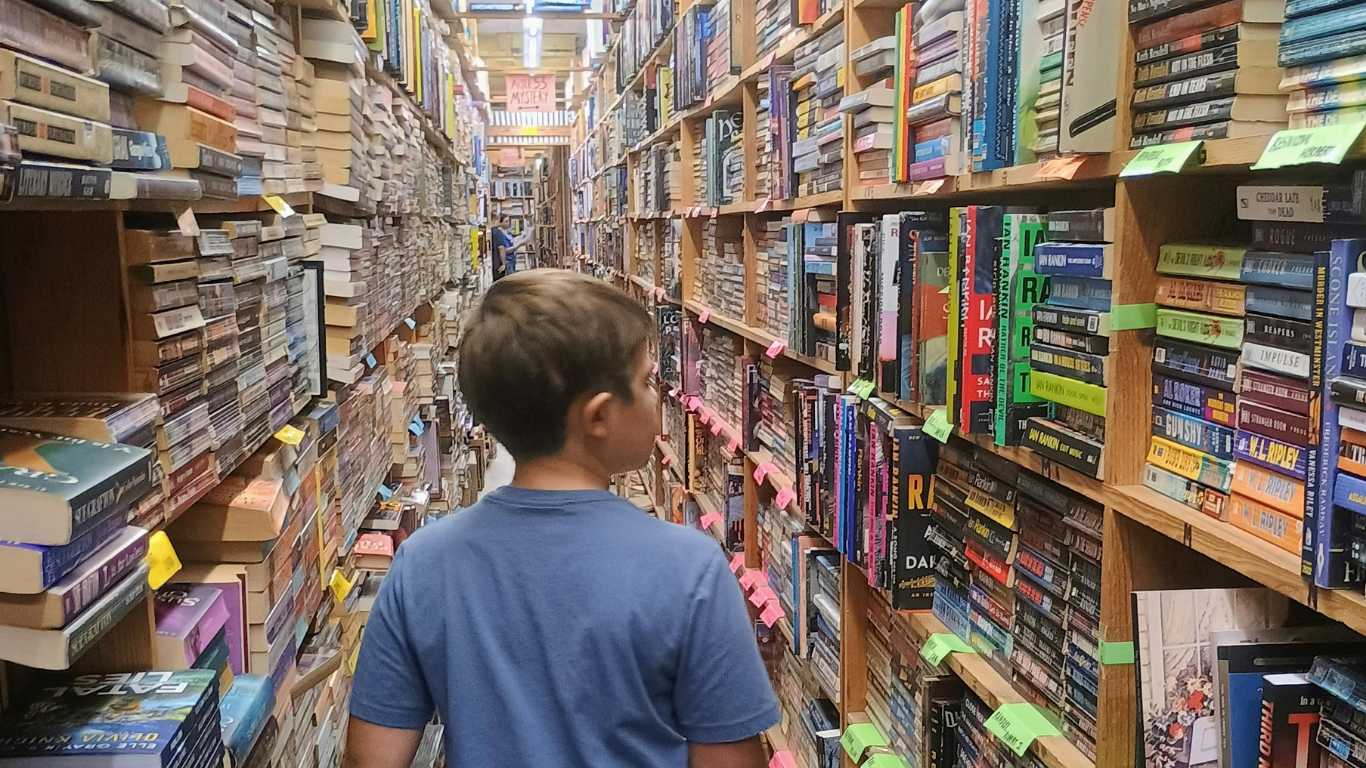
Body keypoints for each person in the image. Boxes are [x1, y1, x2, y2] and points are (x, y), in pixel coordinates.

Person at [342, 269, 779, 768]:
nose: (659, 395)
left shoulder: (422, 563)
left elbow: (370, 758)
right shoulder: (690, 569)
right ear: (598, 418)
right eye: (645, 382)